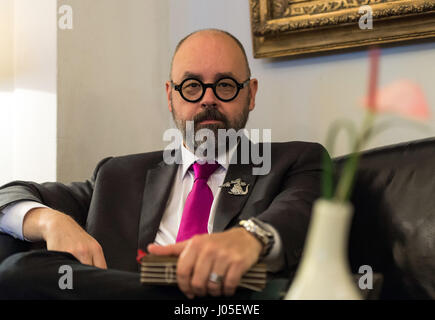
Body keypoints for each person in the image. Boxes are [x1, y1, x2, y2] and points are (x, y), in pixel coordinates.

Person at [0, 29, 327, 299]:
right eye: (192, 86)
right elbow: (10, 196)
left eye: (225, 85)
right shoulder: (118, 176)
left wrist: (249, 238)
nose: (208, 98)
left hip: (229, 304)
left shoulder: (293, 162)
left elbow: (300, 213)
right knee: (18, 270)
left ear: (251, 94)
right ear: (170, 95)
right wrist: (52, 223)